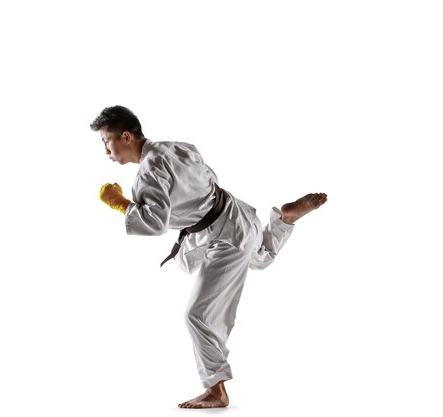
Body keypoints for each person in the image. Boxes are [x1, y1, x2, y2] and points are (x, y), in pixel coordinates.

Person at [92, 105, 327, 409]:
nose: (105, 150)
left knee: (197, 315)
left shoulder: (149, 171)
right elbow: (206, 178)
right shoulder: (176, 147)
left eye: (106, 141)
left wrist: (120, 202)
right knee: (261, 258)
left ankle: (216, 389)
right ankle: (284, 219)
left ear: (125, 136)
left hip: (225, 237)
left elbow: (154, 223)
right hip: (236, 213)